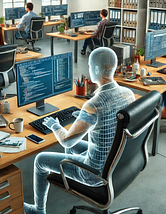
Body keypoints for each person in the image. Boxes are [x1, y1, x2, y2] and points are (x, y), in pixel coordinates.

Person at [23, 47, 135, 214]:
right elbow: (111, 117)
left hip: (95, 174)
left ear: (96, 69)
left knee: (40, 160)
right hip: (116, 160)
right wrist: (83, 117)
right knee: (75, 149)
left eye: (90, 66)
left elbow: (67, 140)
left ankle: (39, 210)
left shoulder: (93, 104)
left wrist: (54, 125)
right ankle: (68, 176)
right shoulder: (128, 94)